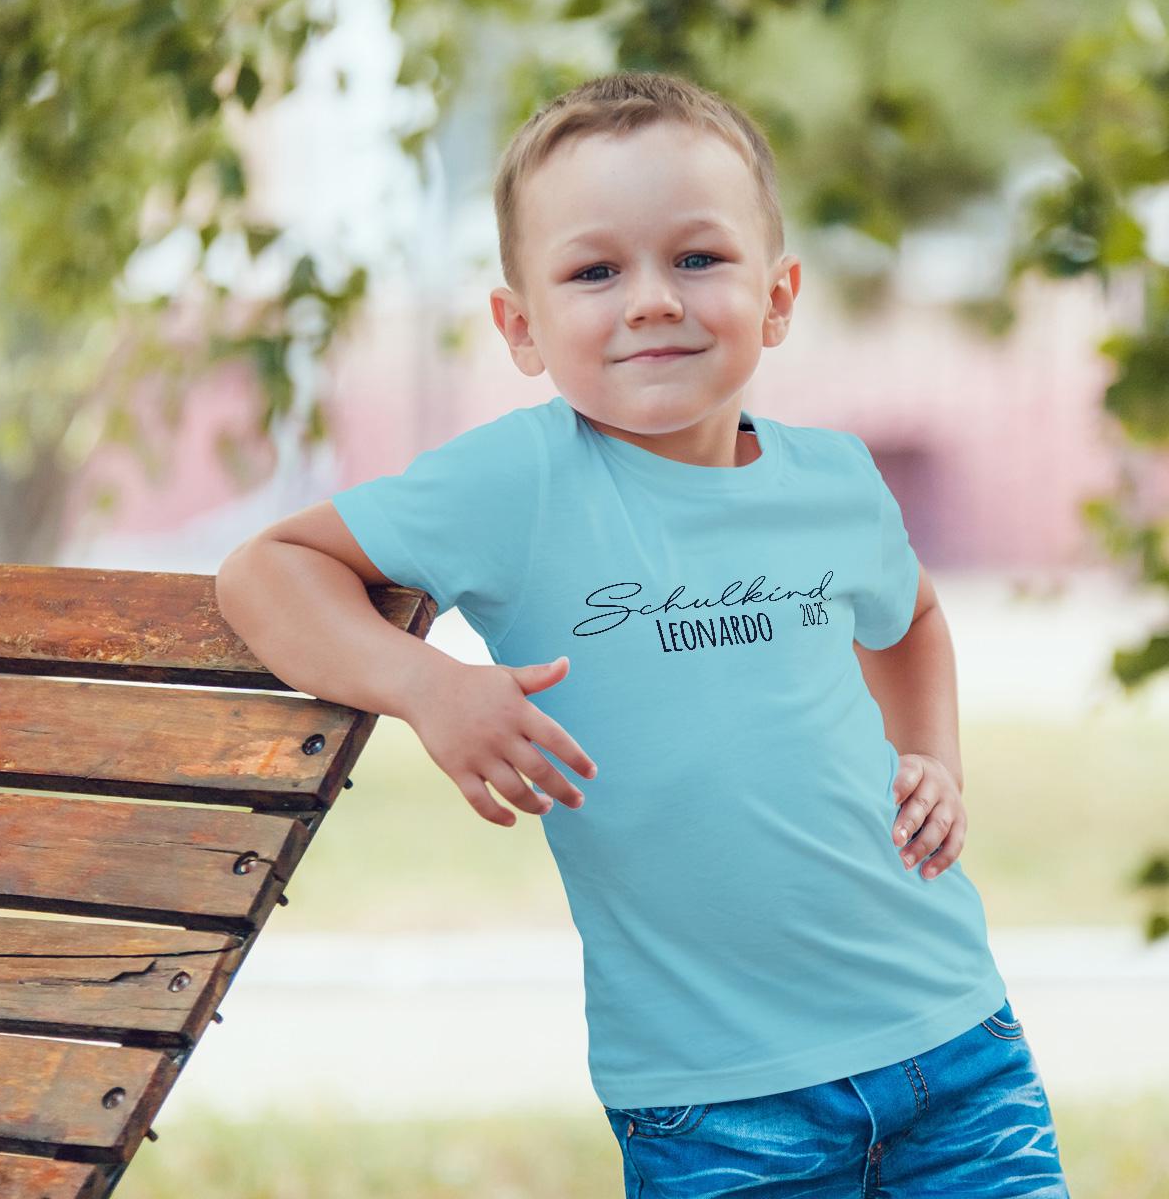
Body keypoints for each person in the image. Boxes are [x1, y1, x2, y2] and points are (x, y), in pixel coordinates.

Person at [216, 70, 1072, 1198]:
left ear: (777, 296)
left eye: (699, 258)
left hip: (956, 1042)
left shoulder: (836, 480)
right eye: (595, 271)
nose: (653, 299)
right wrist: (431, 687)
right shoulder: (517, 482)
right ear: (520, 327)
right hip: (715, 1097)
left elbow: (909, 618)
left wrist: (935, 761)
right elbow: (265, 571)